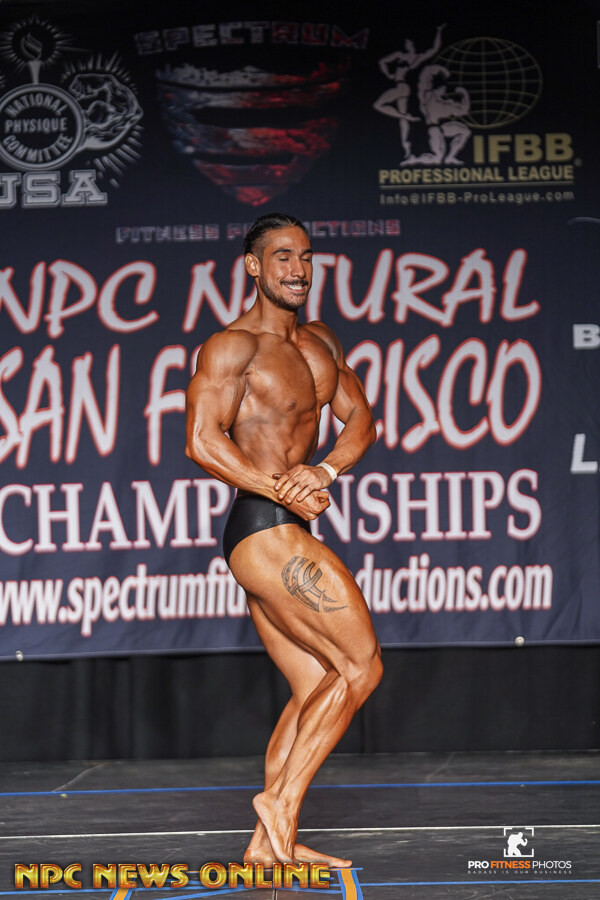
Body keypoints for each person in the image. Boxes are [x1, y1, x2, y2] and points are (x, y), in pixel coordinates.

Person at [185, 212, 383, 867]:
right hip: (262, 526)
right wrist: (282, 489)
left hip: (286, 527)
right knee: (361, 665)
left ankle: (269, 848)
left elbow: (360, 421)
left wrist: (324, 471)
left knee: (318, 683)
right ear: (253, 266)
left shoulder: (321, 342)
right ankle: (281, 804)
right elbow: (202, 441)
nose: (298, 270)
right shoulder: (231, 347)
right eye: (282, 258)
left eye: (305, 257)